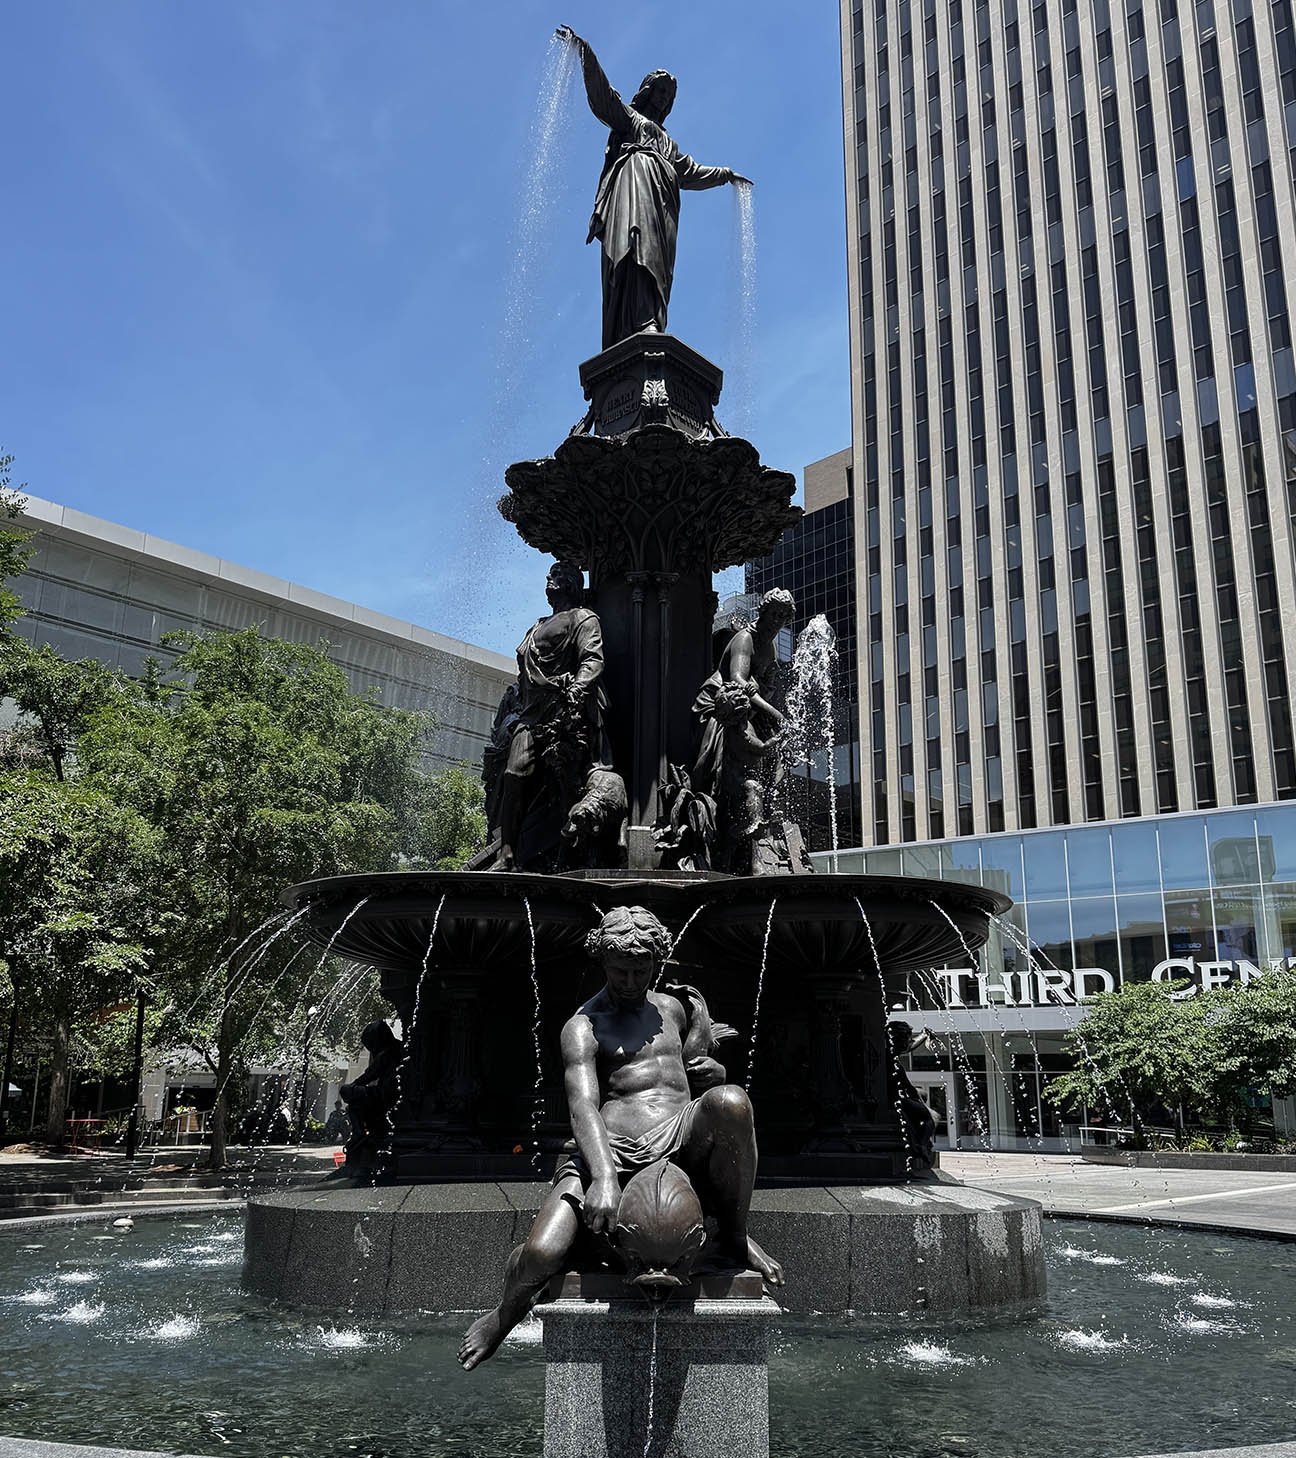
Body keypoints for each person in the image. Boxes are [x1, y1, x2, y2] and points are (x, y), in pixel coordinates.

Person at [459, 906, 782, 1371]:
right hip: (610, 1147)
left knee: (732, 1101)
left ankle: (735, 1237)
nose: (630, 982)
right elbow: (582, 1106)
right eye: (619, 971)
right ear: (602, 963)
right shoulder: (583, 1027)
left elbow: (691, 1074)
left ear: (656, 963)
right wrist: (604, 1176)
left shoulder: (672, 1009)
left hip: (678, 1136)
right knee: (541, 1254)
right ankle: (505, 1314)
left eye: (640, 971)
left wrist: (715, 1072)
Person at [557, 26, 751, 348]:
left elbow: (692, 172)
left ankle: (651, 320)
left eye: (668, 95)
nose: (663, 98)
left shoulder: (669, 144)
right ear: (648, 91)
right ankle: (637, 323)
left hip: (664, 208)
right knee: (635, 249)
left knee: (657, 262)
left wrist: (726, 174)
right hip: (634, 191)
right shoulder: (632, 121)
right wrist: (586, 54)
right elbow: (604, 98)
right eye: (660, 90)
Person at [496, 562, 609, 870]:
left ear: (572, 583)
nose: (549, 578)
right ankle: (507, 852)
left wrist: (577, 688)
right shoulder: (537, 625)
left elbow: (592, 660)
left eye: (557, 575)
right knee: (514, 774)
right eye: (550, 574)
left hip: (563, 713)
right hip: (531, 713)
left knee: (567, 786)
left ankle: (573, 852)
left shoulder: (583, 618)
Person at [690, 587, 796, 869]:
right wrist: (775, 713)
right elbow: (738, 679)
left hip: (749, 710)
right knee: (740, 777)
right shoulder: (746, 638)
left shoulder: (769, 645)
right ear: (763, 611)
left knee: (769, 766)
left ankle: (753, 840)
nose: (777, 621)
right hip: (725, 708)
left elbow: (764, 685)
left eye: (783, 617)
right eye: (773, 614)